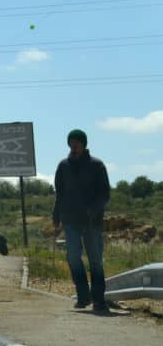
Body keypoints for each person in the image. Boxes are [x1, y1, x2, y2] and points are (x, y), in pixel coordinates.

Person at [53, 128, 111, 312]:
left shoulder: (96, 165)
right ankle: (83, 296)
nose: (74, 144)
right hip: (70, 220)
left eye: (78, 141)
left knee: (95, 261)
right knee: (73, 258)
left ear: (84, 144)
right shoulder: (63, 166)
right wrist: (56, 215)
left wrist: (92, 210)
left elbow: (105, 194)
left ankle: (99, 300)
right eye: (72, 141)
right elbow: (59, 193)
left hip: (92, 222)